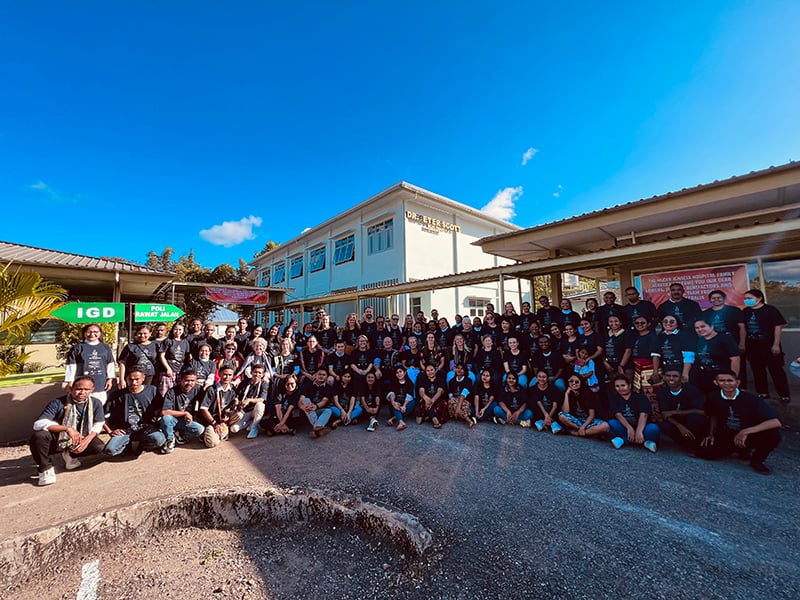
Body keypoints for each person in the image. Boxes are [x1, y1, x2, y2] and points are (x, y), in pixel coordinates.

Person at [698, 370, 782, 474]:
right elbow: (713, 415)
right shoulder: (713, 396)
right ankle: (738, 450)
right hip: (728, 433)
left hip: (749, 434)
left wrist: (745, 431)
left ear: (737, 382)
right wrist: (711, 433)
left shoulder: (751, 399)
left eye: (730, 380)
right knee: (705, 453)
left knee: (773, 435)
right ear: (716, 382)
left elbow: (775, 422)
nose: (726, 383)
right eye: (722, 380)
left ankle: (757, 461)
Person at [30, 376, 106, 486]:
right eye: (79, 389)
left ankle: (71, 456)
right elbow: (38, 424)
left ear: (92, 390)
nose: (82, 392)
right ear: (71, 389)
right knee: (39, 436)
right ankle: (45, 468)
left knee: (98, 447)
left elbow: (98, 424)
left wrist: (86, 441)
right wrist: (67, 429)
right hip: (58, 438)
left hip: (81, 437)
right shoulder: (58, 403)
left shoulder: (95, 403)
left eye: (86, 389)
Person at [742, 289, 791, 403]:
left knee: (776, 370)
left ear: (759, 298)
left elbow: (778, 327)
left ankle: (784, 394)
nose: (747, 301)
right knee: (757, 370)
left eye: (749, 298)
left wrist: (776, 344)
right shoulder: (745, 311)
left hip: (769, 344)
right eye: (745, 299)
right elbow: (743, 329)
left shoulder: (770, 310)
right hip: (752, 345)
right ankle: (762, 392)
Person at [103, 368, 166, 456]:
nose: (134, 383)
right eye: (131, 379)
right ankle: (126, 446)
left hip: (145, 429)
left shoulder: (152, 390)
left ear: (143, 378)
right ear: (126, 379)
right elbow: (100, 416)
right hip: (125, 431)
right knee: (110, 450)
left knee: (159, 440)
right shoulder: (117, 395)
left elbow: (162, 410)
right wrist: (110, 431)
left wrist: (155, 424)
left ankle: (142, 445)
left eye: (137, 379)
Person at [654, 369, 707, 454]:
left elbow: (702, 411)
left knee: (695, 418)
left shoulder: (691, 390)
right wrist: (679, 426)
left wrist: (675, 412)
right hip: (676, 422)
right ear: (664, 377)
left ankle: (694, 445)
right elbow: (664, 414)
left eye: (675, 376)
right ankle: (682, 442)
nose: (671, 379)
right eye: (668, 376)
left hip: (690, 421)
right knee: (663, 424)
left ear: (681, 378)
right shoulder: (662, 393)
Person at [65, 323, 116, 404]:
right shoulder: (78, 348)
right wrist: (70, 381)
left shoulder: (105, 348)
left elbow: (110, 364)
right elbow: (71, 365)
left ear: (100, 333)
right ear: (84, 333)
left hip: (100, 382)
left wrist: (110, 379)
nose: (92, 334)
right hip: (82, 382)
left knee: (100, 404)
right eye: (89, 332)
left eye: (95, 332)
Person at [607, 375, 660, 452]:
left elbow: (644, 414)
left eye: (623, 385)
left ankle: (625, 440)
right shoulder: (614, 398)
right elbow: (618, 414)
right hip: (625, 427)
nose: (620, 388)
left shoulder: (640, 397)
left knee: (653, 428)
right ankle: (645, 443)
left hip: (642, 427)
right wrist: (629, 428)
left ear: (629, 386)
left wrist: (639, 431)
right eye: (617, 386)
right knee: (612, 423)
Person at [159, 369, 206, 453]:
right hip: (174, 420)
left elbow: (205, 404)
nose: (189, 383)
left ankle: (181, 436)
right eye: (187, 380)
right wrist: (184, 413)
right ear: (181, 380)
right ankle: (170, 439)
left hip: (186, 421)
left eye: (192, 381)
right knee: (166, 419)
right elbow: (164, 412)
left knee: (200, 429)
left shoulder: (198, 389)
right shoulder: (172, 391)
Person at [693, 317, 741, 393]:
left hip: (722, 378)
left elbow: (735, 358)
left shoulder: (724, 339)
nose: (700, 329)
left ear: (711, 326)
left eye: (703, 326)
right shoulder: (700, 341)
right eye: (697, 328)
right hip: (704, 377)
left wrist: (732, 378)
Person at [198, 366, 239, 448]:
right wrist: (214, 424)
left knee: (239, 414)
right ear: (219, 374)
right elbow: (203, 409)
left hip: (223, 418)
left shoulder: (232, 388)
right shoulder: (212, 389)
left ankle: (224, 429)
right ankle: (206, 433)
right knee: (212, 443)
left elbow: (234, 400)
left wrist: (232, 406)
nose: (227, 377)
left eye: (230, 375)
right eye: (225, 374)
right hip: (212, 420)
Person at [229, 364, 269, 438]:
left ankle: (254, 427)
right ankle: (250, 423)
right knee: (233, 429)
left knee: (260, 405)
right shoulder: (245, 382)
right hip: (244, 411)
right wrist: (236, 401)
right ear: (251, 372)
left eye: (260, 373)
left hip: (255, 410)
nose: (257, 374)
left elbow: (262, 399)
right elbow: (236, 395)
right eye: (255, 372)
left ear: (263, 374)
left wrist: (249, 400)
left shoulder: (264, 384)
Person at [299, 367, 334, 438]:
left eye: (324, 375)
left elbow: (324, 401)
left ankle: (316, 428)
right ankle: (318, 427)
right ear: (315, 375)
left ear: (327, 377)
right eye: (319, 374)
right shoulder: (308, 385)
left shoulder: (328, 388)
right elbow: (301, 399)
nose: (321, 376)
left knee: (328, 410)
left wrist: (316, 407)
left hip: (318, 409)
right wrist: (303, 407)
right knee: (306, 400)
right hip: (307, 410)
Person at [158, 322, 190, 396]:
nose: (177, 332)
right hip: (168, 371)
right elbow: (161, 356)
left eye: (180, 330)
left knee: (177, 393)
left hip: (179, 371)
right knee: (165, 394)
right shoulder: (168, 341)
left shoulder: (185, 342)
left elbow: (187, 356)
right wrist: (168, 368)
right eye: (176, 329)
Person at [529, 369, 563, 433]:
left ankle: (549, 422)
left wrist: (549, 416)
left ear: (547, 378)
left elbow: (555, 405)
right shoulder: (533, 389)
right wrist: (546, 416)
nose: (541, 379)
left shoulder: (554, 389)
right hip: (541, 412)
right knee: (532, 404)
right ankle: (543, 421)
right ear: (536, 377)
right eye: (539, 376)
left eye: (544, 377)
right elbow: (539, 403)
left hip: (551, 412)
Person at [416, 364, 447, 428]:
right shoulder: (423, 379)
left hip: (437, 398)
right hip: (427, 398)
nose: (430, 372)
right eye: (428, 371)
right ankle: (433, 418)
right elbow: (421, 391)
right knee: (423, 402)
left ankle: (429, 416)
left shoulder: (440, 379)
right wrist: (426, 398)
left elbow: (440, 391)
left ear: (435, 370)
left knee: (442, 404)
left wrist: (432, 401)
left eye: (432, 370)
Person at [386, 366, 415, 431]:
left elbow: (409, 396)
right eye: (397, 372)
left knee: (414, 402)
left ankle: (394, 418)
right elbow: (392, 393)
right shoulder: (394, 383)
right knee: (395, 404)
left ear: (404, 373)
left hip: (405, 405)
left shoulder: (409, 383)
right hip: (397, 404)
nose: (399, 374)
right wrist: (393, 402)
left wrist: (404, 406)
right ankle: (401, 422)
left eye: (400, 372)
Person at [446, 363, 474, 427]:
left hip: (465, 401)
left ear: (465, 371)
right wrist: (455, 400)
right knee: (451, 400)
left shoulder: (468, 381)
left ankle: (458, 413)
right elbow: (450, 395)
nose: (459, 370)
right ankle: (467, 419)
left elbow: (463, 394)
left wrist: (458, 407)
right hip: (455, 400)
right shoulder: (451, 381)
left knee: (458, 404)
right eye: (458, 368)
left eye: (462, 369)